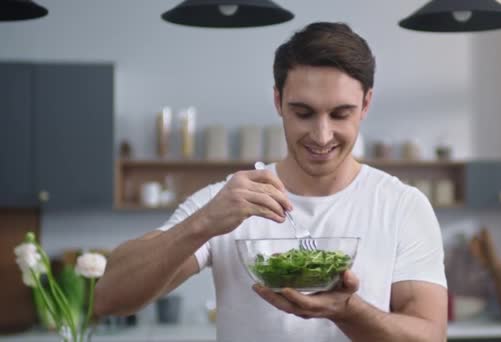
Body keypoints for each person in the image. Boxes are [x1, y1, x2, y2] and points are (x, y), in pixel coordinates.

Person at [94, 22, 447, 342]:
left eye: (340, 114)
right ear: (278, 101)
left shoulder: (402, 206)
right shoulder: (229, 200)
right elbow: (108, 298)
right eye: (303, 113)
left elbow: (430, 336)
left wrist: (348, 312)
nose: (322, 136)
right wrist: (202, 223)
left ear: (366, 103)